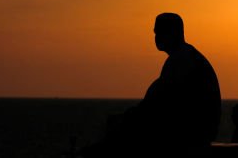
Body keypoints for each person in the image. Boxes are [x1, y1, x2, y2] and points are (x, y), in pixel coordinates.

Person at [87, 13, 221, 156]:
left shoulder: (182, 61)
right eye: (155, 33)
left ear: (174, 33)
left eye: (160, 32)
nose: (156, 37)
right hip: (195, 130)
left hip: (191, 134)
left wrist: (129, 118)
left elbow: (159, 102)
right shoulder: (185, 57)